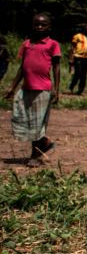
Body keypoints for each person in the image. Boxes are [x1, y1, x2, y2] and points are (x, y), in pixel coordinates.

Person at [6, 13, 61, 167]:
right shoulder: (27, 44)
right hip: (27, 88)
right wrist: (12, 86)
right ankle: (45, 142)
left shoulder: (52, 44)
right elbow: (22, 68)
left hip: (43, 89)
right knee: (27, 120)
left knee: (37, 125)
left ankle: (35, 156)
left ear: (49, 27)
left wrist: (56, 89)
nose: (39, 27)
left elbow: (56, 68)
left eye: (43, 24)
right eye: (36, 24)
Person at [68, 25, 87, 95]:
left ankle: (80, 90)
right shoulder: (77, 36)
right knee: (78, 73)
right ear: (83, 29)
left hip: (85, 58)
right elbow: (72, 47)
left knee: (84, 75)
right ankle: (71, 86)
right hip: (77, 57)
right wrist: (71, 58)